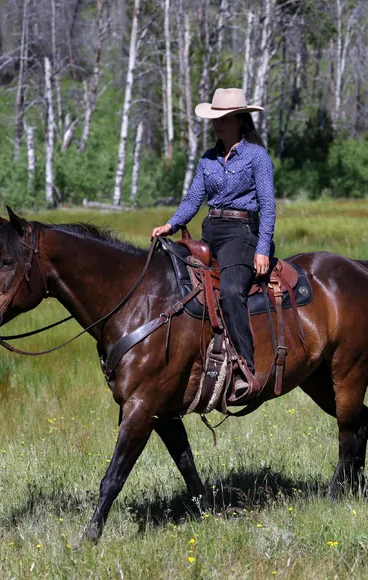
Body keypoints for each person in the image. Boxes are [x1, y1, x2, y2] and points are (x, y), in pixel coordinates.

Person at [152, 87, 276, 397]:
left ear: (239, 120)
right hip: (212, 230)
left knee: (232, 291)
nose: (216, 125)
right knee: (178, 284)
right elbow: (194, 198)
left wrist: (262, 249)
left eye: (223, 119)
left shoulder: (257, 156)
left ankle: (245, 368)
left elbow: (268, 205)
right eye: (215, 119)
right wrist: (172, 224)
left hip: (242, 232)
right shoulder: (208, 159)